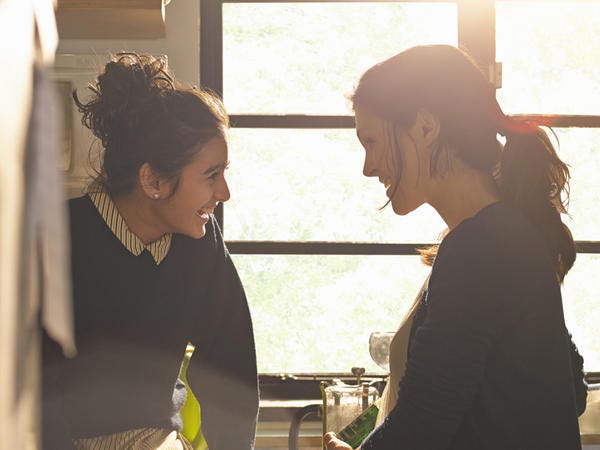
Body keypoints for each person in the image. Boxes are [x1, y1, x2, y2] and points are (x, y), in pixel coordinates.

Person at [324, 44, 587, 450]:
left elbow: (424, 424)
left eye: (372, 141)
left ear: (427, 128)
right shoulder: (503, 235)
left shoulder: (478, 249)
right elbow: (571, 389)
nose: (368, 166)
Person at [42, 53, 259, 450]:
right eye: (212, 175)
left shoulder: (201, 245)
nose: (224, 193)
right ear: (153, 179)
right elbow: (31, 387)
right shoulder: (57, 239)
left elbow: (231, 374)